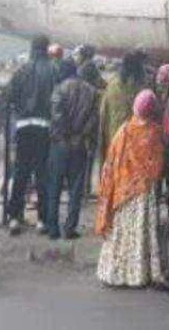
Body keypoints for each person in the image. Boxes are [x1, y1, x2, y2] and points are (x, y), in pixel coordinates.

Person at [96, 89, 165, 287]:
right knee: (142, 234)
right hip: (145, 194)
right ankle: (140, 275)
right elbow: (158, 165)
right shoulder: (155, 133)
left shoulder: (123, 131)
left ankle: (116, 274)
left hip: (123, 192)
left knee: (122, 233)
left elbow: (110, 163)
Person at [5, 35, 58, 234]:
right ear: (46, 49)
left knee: (20, 172)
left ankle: (14, 217)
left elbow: (9, 97)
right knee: (42, 174)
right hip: (44, 126)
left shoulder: (21, 71)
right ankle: (42, 220)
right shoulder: (54, 70)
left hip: (23, 125)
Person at [46, 58, 100, 240]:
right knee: (76, 189)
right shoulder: (91, 91)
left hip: (60, 145)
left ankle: (52, 227)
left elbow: (57, 116)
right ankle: (70, 228)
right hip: (79, 145)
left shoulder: (59, 89)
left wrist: (65, 136)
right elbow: (93, 120)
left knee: (54, 186)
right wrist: (79, 136)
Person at [98, 49, 147, 163]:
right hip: (131, 145)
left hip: (113, 141)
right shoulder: (140, 89)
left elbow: (103, 115)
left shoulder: (112, 85)